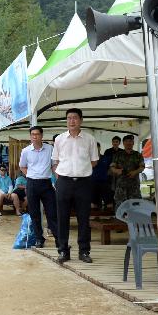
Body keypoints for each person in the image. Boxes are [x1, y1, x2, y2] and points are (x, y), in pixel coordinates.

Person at [53, 108, 98, 263]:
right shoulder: (59, 139)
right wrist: (61, 176)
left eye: (75, 118)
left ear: (81, 120)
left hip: (83, 183)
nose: (72, 121)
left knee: (84, 218)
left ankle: (84, 251)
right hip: (64, 181)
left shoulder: (89, 139)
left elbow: (94, 161)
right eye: (69, 118)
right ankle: (63, 251)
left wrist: (80, 170)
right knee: (62, 217)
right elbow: (56, 161)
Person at [20, 126, 58, 249]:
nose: (35, 137)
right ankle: (39, 239)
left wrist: (58, 179)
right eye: (32, 134)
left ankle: (59, 239)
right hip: (32, 184)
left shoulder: (50, 149)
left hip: (46, 184)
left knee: (52, 212)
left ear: (42, 136)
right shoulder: (26, 151)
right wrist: (31, 176)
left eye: (37, 134)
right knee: (34, 213)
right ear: (30, 136)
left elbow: (54, 166)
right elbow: (22, 166)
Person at [110, 134, 144, 213]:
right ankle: (119, 222)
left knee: (135, 205)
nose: (129, 143)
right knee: (120, 205)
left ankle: (135, 222)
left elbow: (142, 167)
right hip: (121, 185)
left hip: (134, 186)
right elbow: (112, 167)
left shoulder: (138, 155)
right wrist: (117, 171)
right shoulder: (118, 155)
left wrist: (135, 172)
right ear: (123, 143)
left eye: (130, 141)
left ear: (133, 143)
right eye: (127, 141)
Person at [90, 143, 113, 212]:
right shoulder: (89, 159)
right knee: (94, 204)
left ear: (100, 148)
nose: (96, 150)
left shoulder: (106, 158)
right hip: (93, 183)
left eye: (97, 148)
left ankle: (109, 220)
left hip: (104, 183)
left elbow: (111, 167)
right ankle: (95, 220)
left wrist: (107, 173)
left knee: (109, 204)